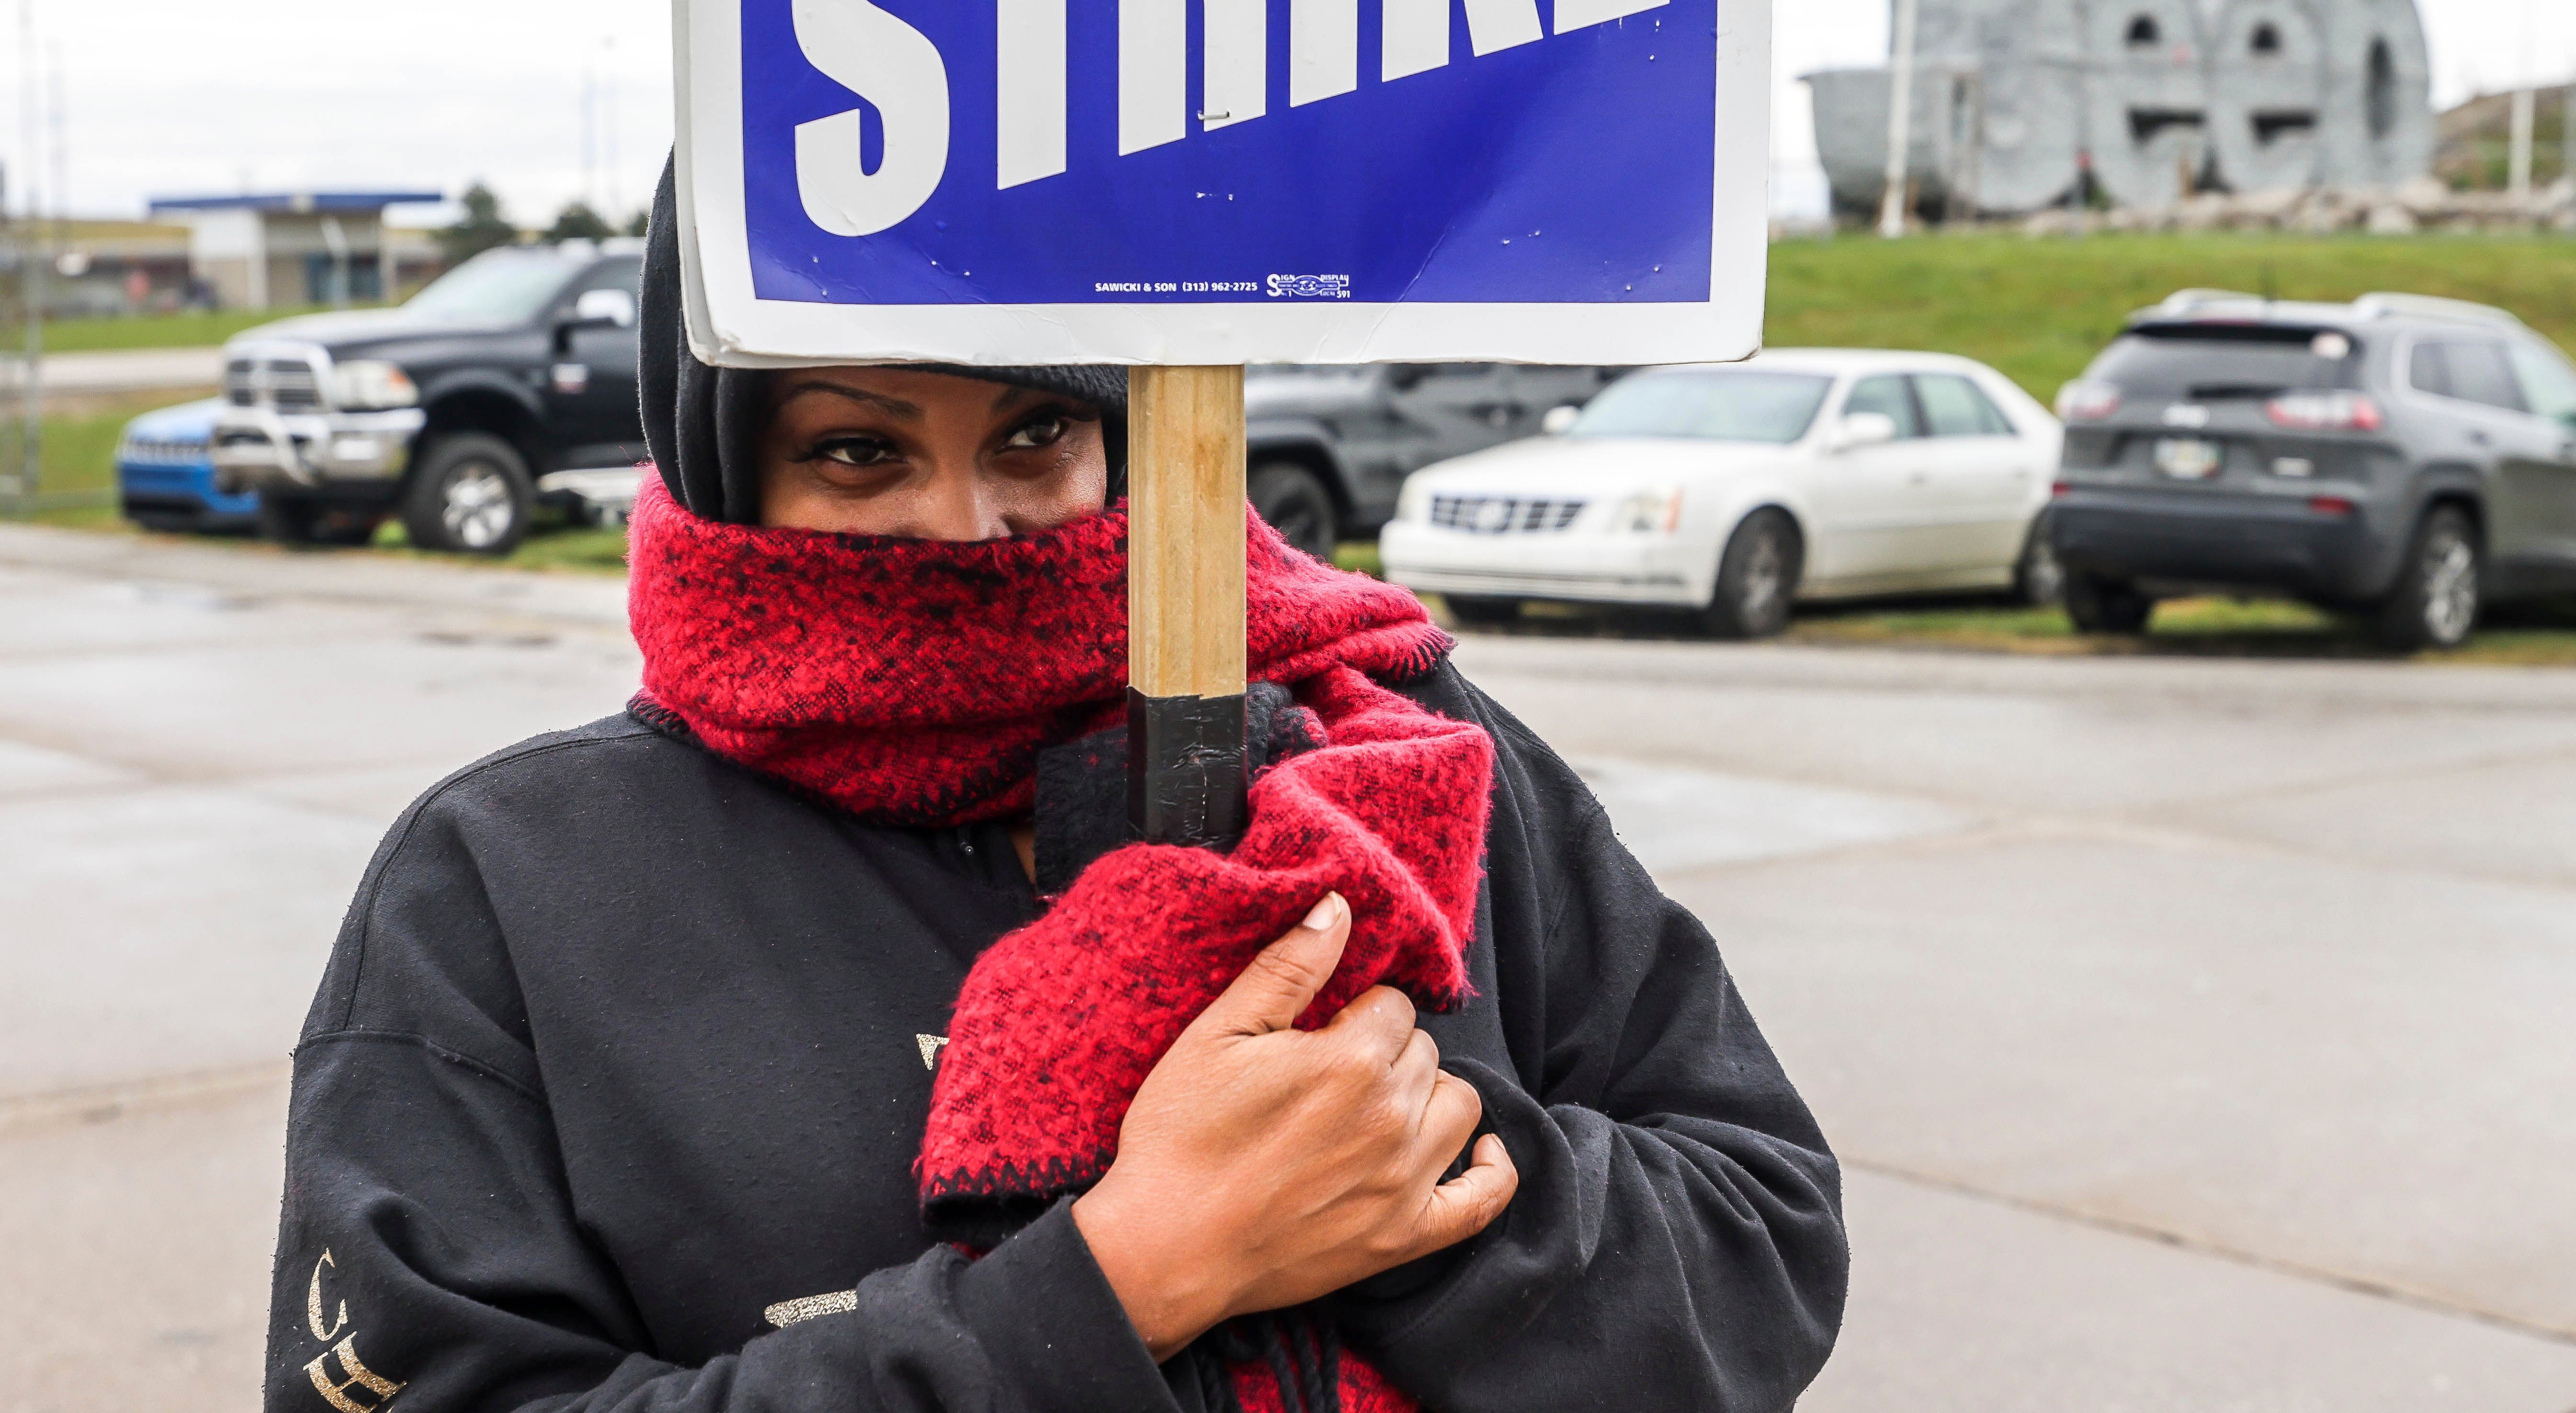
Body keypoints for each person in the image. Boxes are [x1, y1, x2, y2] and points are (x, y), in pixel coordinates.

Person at [265, 166, 1847, 1413]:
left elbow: (1762, 1248)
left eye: (1037, 428)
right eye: (858, 451)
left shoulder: (1396, 743)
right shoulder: (511, 883)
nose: (971, 524)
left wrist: (1412, 1189)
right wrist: (1112, 1284)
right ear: (727, 458)